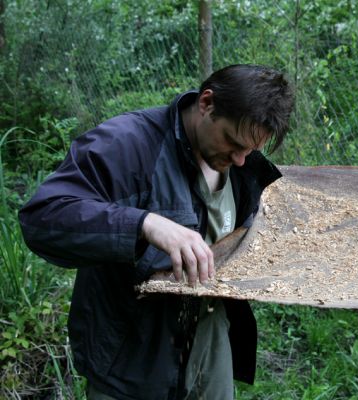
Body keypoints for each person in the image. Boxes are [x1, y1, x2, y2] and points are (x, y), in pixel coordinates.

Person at [18, 64, 295, 399]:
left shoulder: (241, 164)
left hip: (210, 348)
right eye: (232, 142)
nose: (240, 159)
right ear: (206, 103)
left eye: (251, 149)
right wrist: (144, 224)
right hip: (132, 357)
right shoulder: (127, 146)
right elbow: (42, 217)